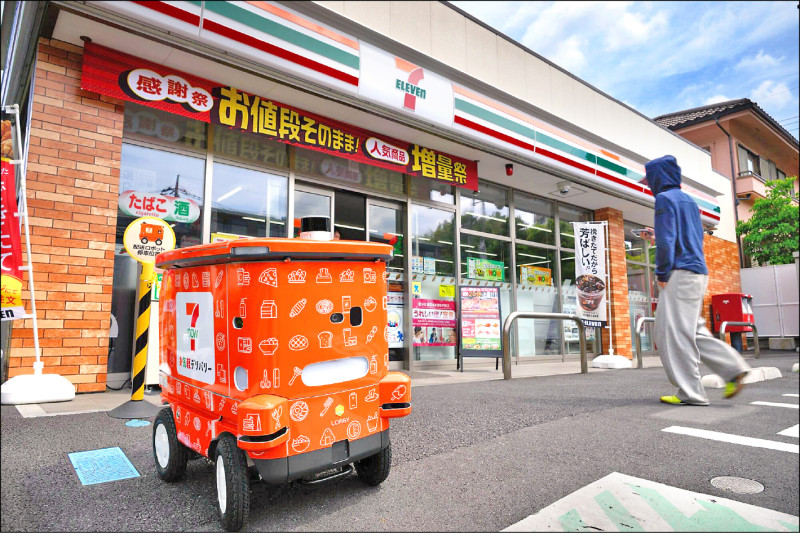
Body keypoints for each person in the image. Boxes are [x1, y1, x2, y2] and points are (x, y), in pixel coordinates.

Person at [645, 155, 750, 406]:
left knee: (672, 334)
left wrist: (661, 273)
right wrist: (658, 237)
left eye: (650, 178)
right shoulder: (689, 202)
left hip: (678, 274)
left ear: (658, 177)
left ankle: (691, 393)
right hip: (697, 272)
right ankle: (733, 368)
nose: (649, 184)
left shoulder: (664, 198)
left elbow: (668, 241)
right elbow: (684, 237)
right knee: (691, 330)